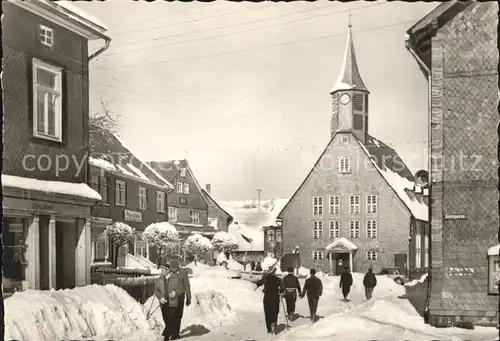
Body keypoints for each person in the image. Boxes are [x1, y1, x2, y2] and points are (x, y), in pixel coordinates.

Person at [155, 259, 192, 340]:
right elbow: (157, 290)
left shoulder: (181, 274)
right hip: (166, 301)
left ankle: (171, 334)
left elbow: (186, 286)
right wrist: (160, 297)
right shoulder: (160, 279)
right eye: (172, 268)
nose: (173, 269)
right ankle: (173, 333)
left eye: (163, 270)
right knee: (168, 318)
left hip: (178, 298)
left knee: (177, 316)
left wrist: (188, 297)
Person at [255, 266, 284, 334]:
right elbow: (282, 286)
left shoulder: (266, 278)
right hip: (275, 298)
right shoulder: (277, 279)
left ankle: (269, 328)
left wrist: (263, 276)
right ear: (274, 271)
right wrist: (281, 291)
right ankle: (274, 323)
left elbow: (258, 283)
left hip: (267, 298)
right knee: (275, 311)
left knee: (267, 312)